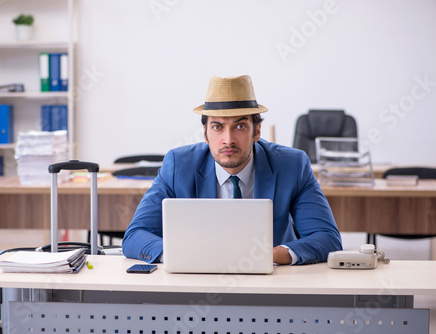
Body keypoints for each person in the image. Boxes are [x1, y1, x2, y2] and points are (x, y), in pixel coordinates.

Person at [122, 75, 342, 265]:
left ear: (256, 131)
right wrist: (183, 255)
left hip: (271, 283)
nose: (228, 140)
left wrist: (271, 255)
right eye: (217, 127)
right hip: (196, 284)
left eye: (240, 126)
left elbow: (327, 238)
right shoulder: (178, 165)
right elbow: (135, 236)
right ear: (205, 133)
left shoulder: (292, 165)